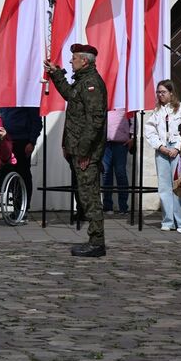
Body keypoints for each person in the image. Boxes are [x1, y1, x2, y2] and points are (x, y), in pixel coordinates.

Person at [44, 44, 108, 258]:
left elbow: (95, 121)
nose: (71, 62)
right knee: (85, 195)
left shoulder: (91, 84)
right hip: (79, 150)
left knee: (90, 197)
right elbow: (70, 95)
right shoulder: (82, 82)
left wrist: (83, 152)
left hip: (86, 153)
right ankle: (95, 240)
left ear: (85, 61)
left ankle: (97, 242)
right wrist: (56, 74)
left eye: (74, 59)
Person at [144, 80, 181, 232]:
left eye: (163, 92)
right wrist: (160, 147)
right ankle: (168, 220)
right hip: (162, 150)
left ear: (171, 93)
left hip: (176, 150)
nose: (160, 95)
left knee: (176, 185)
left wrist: (177, 148)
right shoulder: (157, 111)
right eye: (158, 92)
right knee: (164, 186)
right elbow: (150, 131)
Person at [0, 106, 41, 209]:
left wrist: (32, 142)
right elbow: (1, 118)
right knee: (7, 173)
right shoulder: (4, 99)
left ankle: (22, 208)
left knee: (23, 173)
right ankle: (16, 205)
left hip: (22, 142)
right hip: (6, 141)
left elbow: (37, 122)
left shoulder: (28, 100)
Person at [101, 109, 133, 214]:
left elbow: (132, 118)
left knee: (120, 173)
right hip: (105, 143)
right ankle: (107, 206)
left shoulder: (125, 102)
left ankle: (123, 207)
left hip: (121, 143)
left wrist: (132, 137)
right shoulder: (104, 101)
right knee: (106, 173)